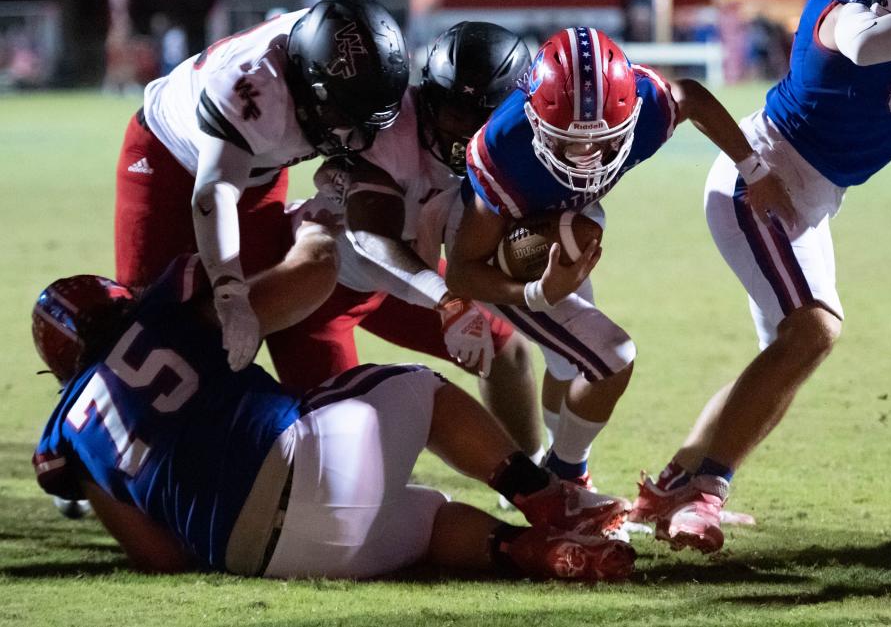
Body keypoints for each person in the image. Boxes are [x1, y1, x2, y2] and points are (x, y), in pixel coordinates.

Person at [30, 218, 634, 581]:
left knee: (427, 520)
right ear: (118, 304)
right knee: (422, 388)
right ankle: (547, 502)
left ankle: (527, 551)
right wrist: (313, 228)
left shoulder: (69, 439)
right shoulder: (164, 312)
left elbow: (162, 557)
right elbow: (311, 277)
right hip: (301, 461)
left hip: (266, 557)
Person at [631, 0, 891, 553]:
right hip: (762, 176)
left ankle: (675, 486)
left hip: (816, 197)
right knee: (813, 331)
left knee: (787, 360)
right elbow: (863, 44)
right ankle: (701, 495)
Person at [444, 28, 797, 492]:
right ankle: (567, 481)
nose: (587, 158)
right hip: (501, 250)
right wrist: (535, 292)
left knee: (569, 365)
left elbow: (689, 97)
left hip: (565, 217)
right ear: (534, 120)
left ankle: (557, 467)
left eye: (603, 141)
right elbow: (464, 269)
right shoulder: (504, 152)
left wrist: (753, 168)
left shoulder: (646, 105)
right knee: (610, 356)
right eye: (567, 142)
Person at [270, 21, 545, 461]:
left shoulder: (510, 144)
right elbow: (372, 236)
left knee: (506, 349)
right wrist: (448, 300)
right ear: (429, 96)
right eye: (456, 112)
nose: (467, 131)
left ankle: (537, 470)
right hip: (322, 288)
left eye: (484, 118)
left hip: (400, 274)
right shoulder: (388, 130)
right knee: (344, 452)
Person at [114, 0, 408, 374]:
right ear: (308, 81)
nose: (354, 135)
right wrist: (230, 292)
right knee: (143, 321)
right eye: (343, 114)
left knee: (269, 298)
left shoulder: (345, 69)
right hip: (165, 152)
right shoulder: (252, 85)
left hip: (259, 169)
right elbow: (213, 193)